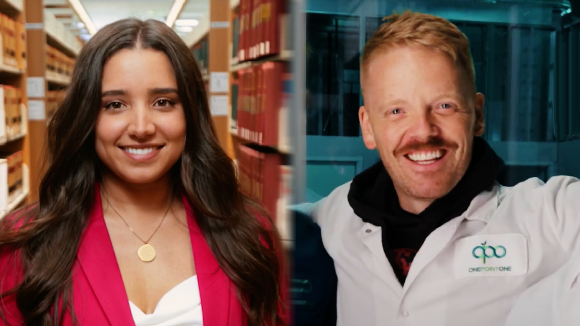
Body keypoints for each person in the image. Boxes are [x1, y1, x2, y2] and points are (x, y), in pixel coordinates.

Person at [0, 19, 287, 326]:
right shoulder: (24, 245)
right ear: (86, 117)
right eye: (115, 104)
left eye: (163, 102)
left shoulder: (250, 235)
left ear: (190, 113)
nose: (141, 128)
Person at [310, 10, 580, 326]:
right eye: (397, 110)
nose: (423, 131)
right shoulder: (332, 219)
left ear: (477, 115)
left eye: (444, 106)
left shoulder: (551, 214)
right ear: (368, 127)